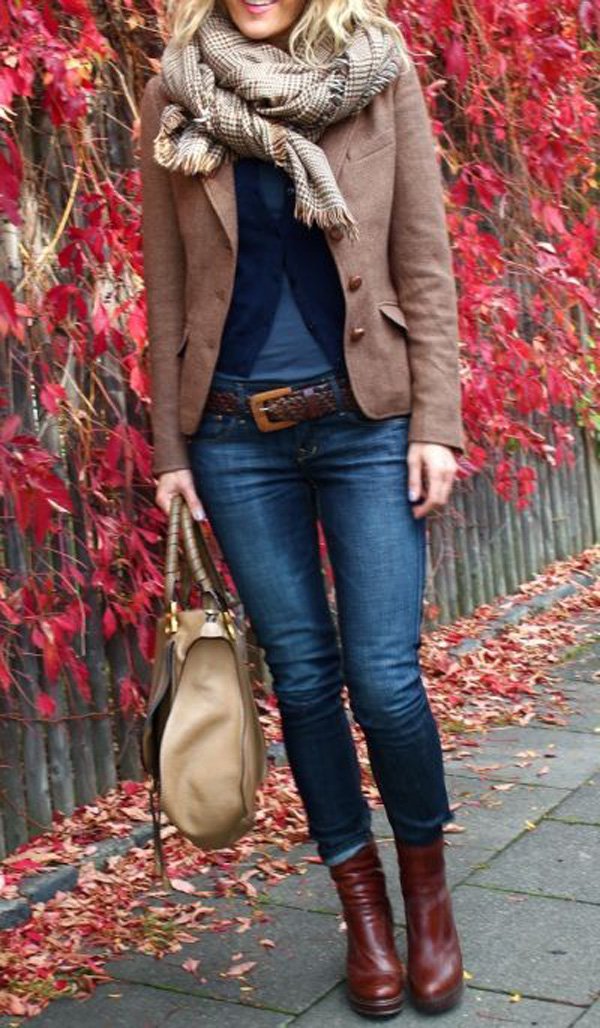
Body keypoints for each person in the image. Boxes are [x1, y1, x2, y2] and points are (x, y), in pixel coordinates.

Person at [139, 0, 465, 1016]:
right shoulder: (177, 88)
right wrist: (171, 450)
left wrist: (436, 423)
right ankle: (363, 909)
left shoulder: (377, 72)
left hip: (370, 421)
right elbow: (165, 282)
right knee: (308, 682)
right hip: (234, 435)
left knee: (385, 680)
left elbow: (424, 256)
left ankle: (428, 896)